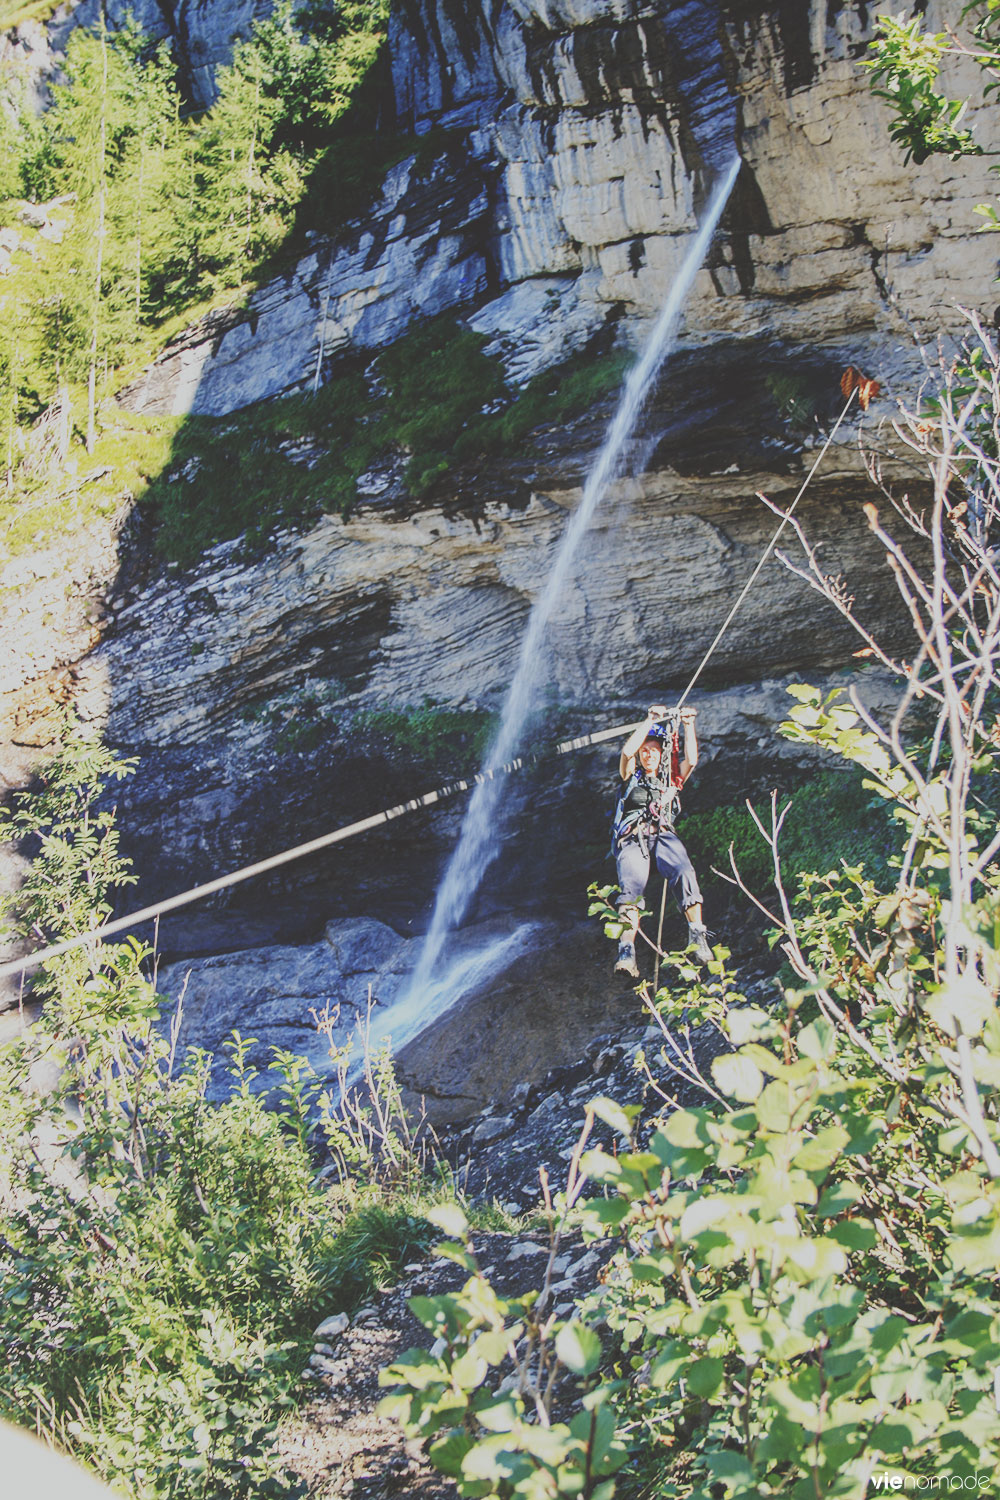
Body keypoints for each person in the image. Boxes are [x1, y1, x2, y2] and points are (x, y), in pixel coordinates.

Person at [612, 704, 712, 977]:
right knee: (630, 889)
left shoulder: (671, 781)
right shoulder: (630, 777)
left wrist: (689, 724)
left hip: (663, 836)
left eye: (654, 750)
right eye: (645, 750)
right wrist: (650, 720)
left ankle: (697, 935)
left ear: (662, 754)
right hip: (633, 840)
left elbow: (691, 761)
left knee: (683, 870)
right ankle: (626, 953)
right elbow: (626, 752)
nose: (648, 754)